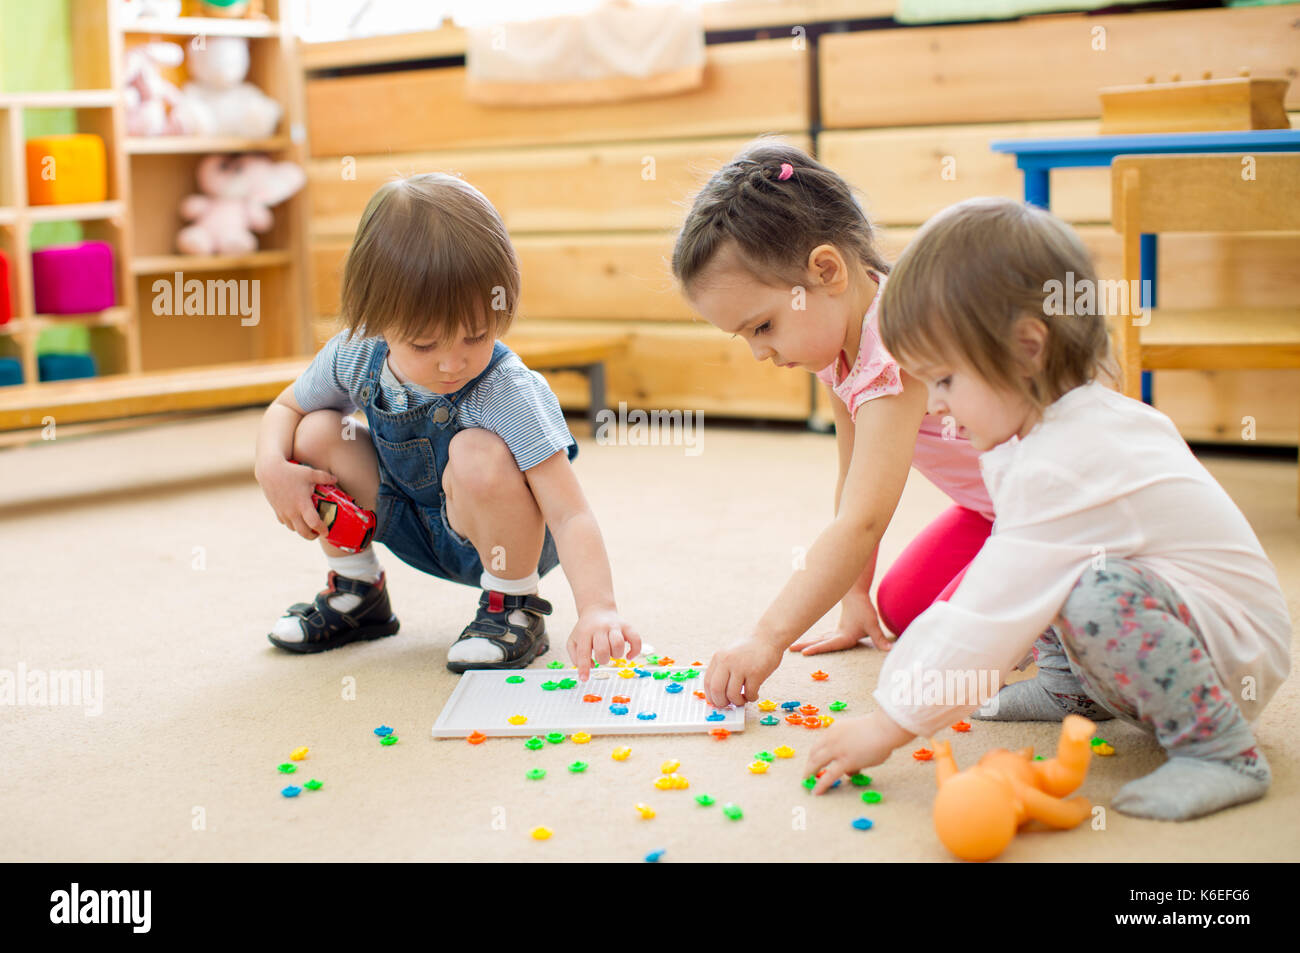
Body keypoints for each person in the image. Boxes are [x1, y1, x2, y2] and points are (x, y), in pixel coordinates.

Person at [806, 196, 1290, 821]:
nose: (933, 408)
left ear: (1028, 348)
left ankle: (1222, 751)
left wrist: (892, 720)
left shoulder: (1071, 456)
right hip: (1186, 625)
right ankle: (1072, 693)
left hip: (1225, 659)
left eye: (945, 382)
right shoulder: (1037, 433)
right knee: (1055, 567)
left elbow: (989, 607)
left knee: (1088, 587)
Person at [254, 173, 639, 677]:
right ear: (376, 321)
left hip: (500, 537)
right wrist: (270, 468)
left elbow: (570, 514)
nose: (453, 363)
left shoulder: (508, 390)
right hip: (407, 520)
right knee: (314, 432)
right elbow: (285, 408)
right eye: (425, 345)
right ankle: (357, 593)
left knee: (478, 450)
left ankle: (513, 608)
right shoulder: (355, 352)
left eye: (476, 336)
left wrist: (598, 609)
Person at [672, 138, 995, 709]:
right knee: (898, 609)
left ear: (826, 271)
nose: (759, 353)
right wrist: (855, 594)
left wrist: (767, 638)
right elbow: (852, 493)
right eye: (745, 336)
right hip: (991, 510)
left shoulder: (900, 343)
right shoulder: (839, 349)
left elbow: (864, 523)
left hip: (1064, 509)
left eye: (763, 327)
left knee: (948, 644)